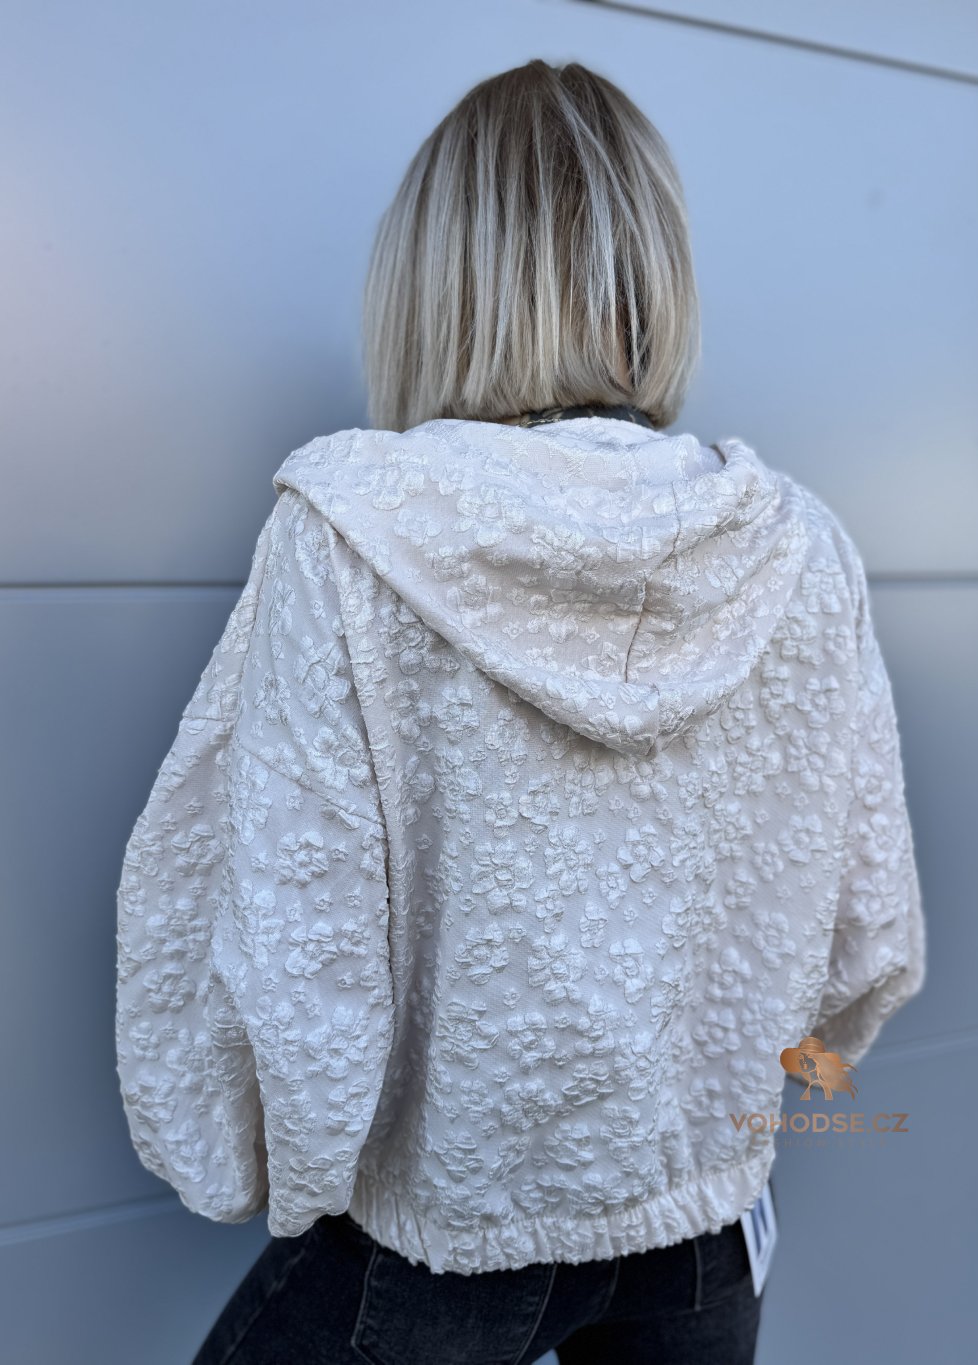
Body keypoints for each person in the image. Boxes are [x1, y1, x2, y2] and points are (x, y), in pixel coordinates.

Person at [114, 57, 926, 1365]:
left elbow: (294, 937)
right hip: (704, 1229)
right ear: (654, 273)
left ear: (435, 275)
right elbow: (866, 937)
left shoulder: (352, 532)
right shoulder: (799, 547)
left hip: (445, 1239)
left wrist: (278, 1163)